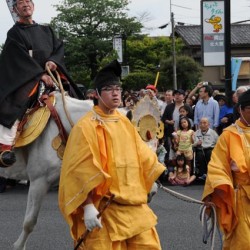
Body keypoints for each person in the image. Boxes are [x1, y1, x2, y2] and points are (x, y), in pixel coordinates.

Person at [58, 60, 165, 250]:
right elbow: (79, 170)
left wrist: (152, 176)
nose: (115, 93)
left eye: (117, 88)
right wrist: (87, 205)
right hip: (104, 210)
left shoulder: (124, 122)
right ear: (97, 94)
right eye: (108, 89)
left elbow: (142, 155)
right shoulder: (85, 127)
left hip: (136, 207)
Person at [0, 0, 84, 168]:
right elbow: (17, 59)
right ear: (16, 9)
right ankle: (5, 146)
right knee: (15, 105)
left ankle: (84, 140)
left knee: (76, 100)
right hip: (28, 79)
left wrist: (53, 61)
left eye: (28, 2)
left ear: (33, 6)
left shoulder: (47, 30)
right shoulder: (14, 34)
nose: (25, 5)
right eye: (21, 3)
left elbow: (59, 48)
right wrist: (39, 75)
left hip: (53, 76)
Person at [202, 89, 250, 249]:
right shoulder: (228, 135)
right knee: (243, 243)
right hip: (241, 198)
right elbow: (217, 167)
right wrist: (222, 187)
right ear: (240, 109)